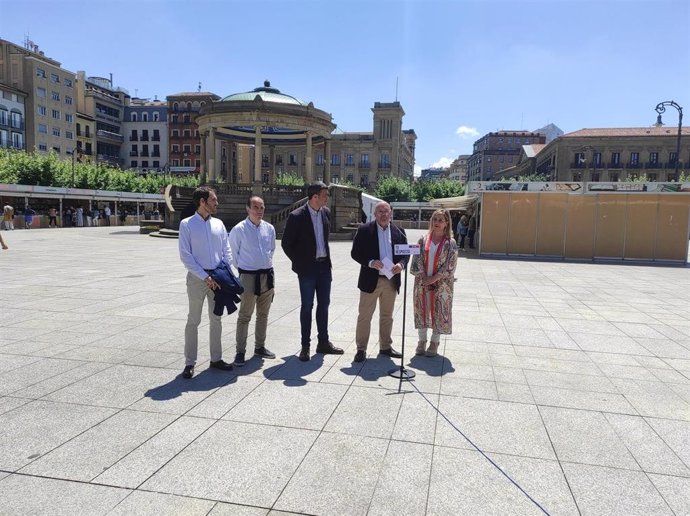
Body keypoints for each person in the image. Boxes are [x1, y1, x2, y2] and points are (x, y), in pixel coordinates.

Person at [281, 182, 343, 362]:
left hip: (324, 268)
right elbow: (286, 244)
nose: (327, 198)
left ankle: (323, 342)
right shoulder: (296, 216)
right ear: (315, 197)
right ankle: (305, 346)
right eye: (325, 195)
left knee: (324, 305)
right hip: (307, 269)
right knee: (307, 306)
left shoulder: (326, 213)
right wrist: (299, 264)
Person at [178, 186, 235, 379]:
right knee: (193, 320)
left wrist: (223, 273)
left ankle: (216, 358)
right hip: (197, 279)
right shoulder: (187, 224)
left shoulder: (219, 224)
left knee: (216, 319)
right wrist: (205, 276)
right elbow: (186, 256)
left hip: (217, 279)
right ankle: (189, 363)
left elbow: (227, 251)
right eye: (213, 200)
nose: (217, 203)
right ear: (202, 202)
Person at [350, 201, 408, 363]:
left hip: (390, 280)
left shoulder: (399, 232)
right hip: (370, 280)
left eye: (386, 211)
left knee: (387, 316)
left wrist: (401, 264)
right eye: (380, 211)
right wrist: (370, 262)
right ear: (375, 214)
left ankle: (385, 347)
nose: (383, 214)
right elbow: (355, 253)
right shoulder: (364, 230)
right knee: (365, 316)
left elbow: (405, 254)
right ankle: (361, 349)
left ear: (391, 213)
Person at [228, 195, 277, 367]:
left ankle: (260, 347)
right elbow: (233, 255)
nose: (259, 211)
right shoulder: (239, 230)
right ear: (247, 209)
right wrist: (245, 269)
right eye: (255, 207)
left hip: (267, 276)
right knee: (244, 316)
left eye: (262, 207)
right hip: (248, 277)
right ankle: (240, 352)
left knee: (263, 315)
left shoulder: (269, 228)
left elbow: (271, 249)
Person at [410, 209, 458, 357]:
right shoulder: (422, 239)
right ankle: (421, 341)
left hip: (442, 284)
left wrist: (434, 278)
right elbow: (416, 259)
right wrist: (424, 276)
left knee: (439, 311)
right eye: (434, 219)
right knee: (422, 309)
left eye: (440, 220)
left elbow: (451, 265)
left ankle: (434, 342)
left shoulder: (450, 243)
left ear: (446, 223)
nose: (437, 223)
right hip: (422, 282)